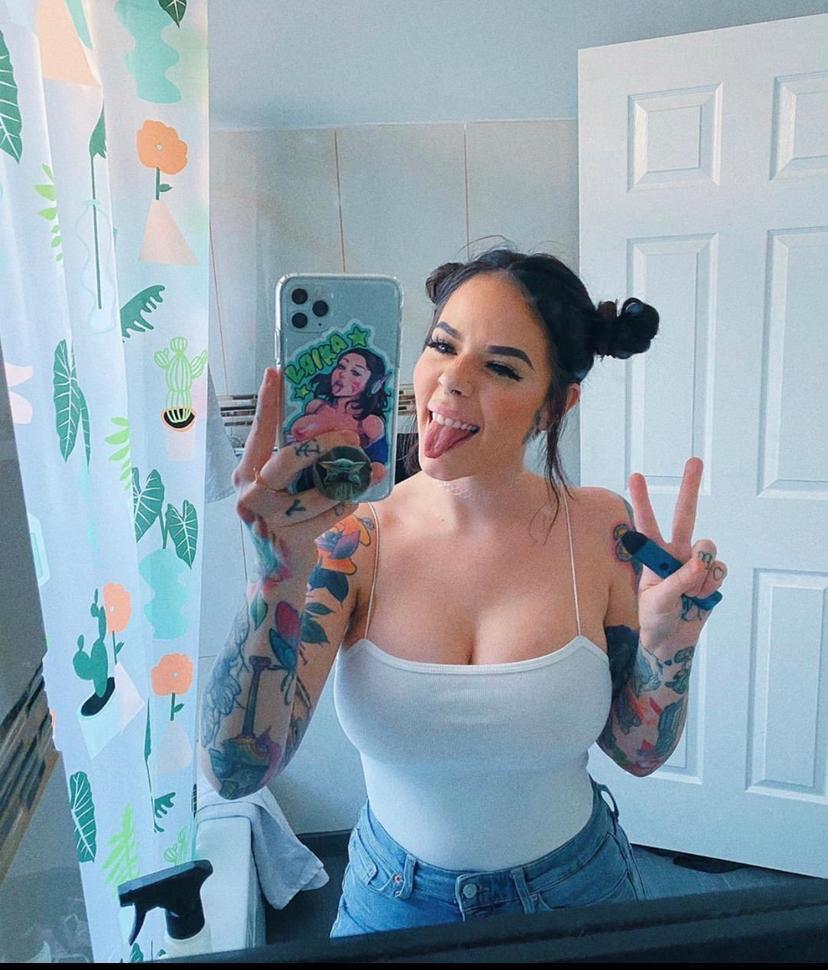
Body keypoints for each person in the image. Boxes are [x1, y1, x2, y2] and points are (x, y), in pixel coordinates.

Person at [199, 247, 727, 938]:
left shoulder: (601, 530)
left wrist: (668, 646)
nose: (451, 379)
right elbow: (235, 774)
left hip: (579, 891)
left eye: (501, 367)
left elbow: (639, 752)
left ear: (554, 405)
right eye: (443, 346)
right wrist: (278, 577)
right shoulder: (351, 538)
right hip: (392, 901)